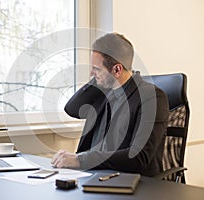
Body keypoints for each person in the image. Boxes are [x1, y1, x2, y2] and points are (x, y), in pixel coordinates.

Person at [51, 33, 169, 177]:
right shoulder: (104, 92)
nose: (90, 73)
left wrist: (81, 160)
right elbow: (72, 109)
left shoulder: (152, 97)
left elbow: (139, 157)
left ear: (117, 70)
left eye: (96, 68)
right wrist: (98, 76)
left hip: (128, 182)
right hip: (94, 176)